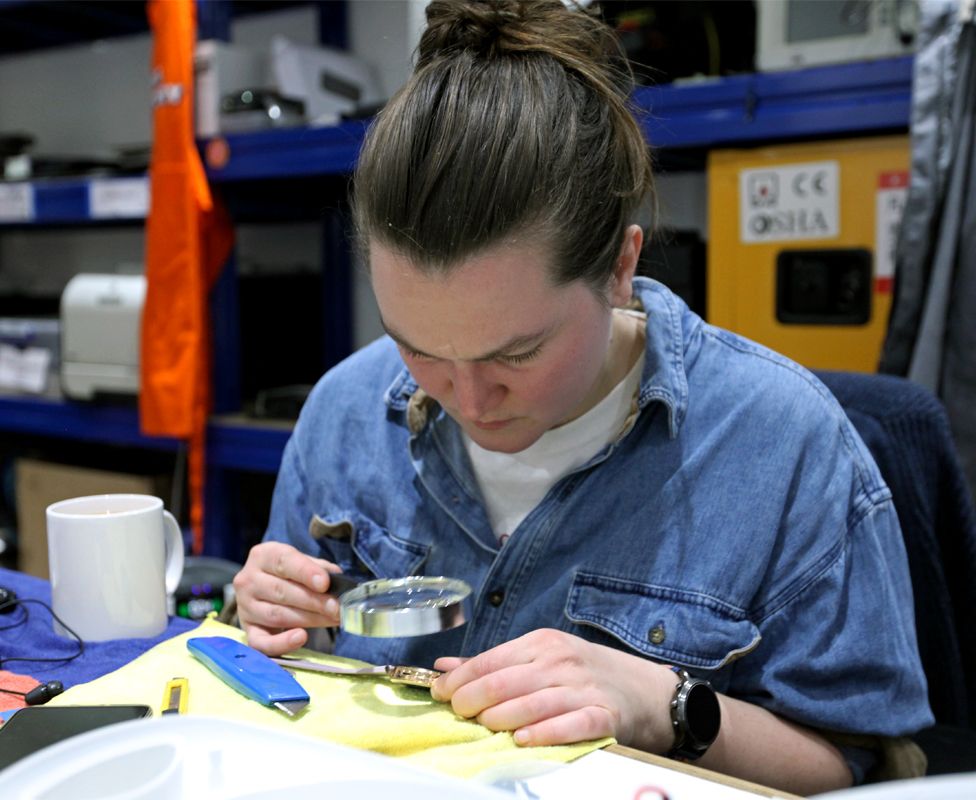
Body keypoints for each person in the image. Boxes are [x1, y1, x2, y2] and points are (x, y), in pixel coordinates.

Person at [233, 1, 933, 793]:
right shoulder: (344, 412)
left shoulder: (785, 445)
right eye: (418, 346)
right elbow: (283, 693)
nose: (469, 397)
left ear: (619, 267)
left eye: (516, 353)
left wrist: (665, 705)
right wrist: (262, 620)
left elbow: (860, 768)